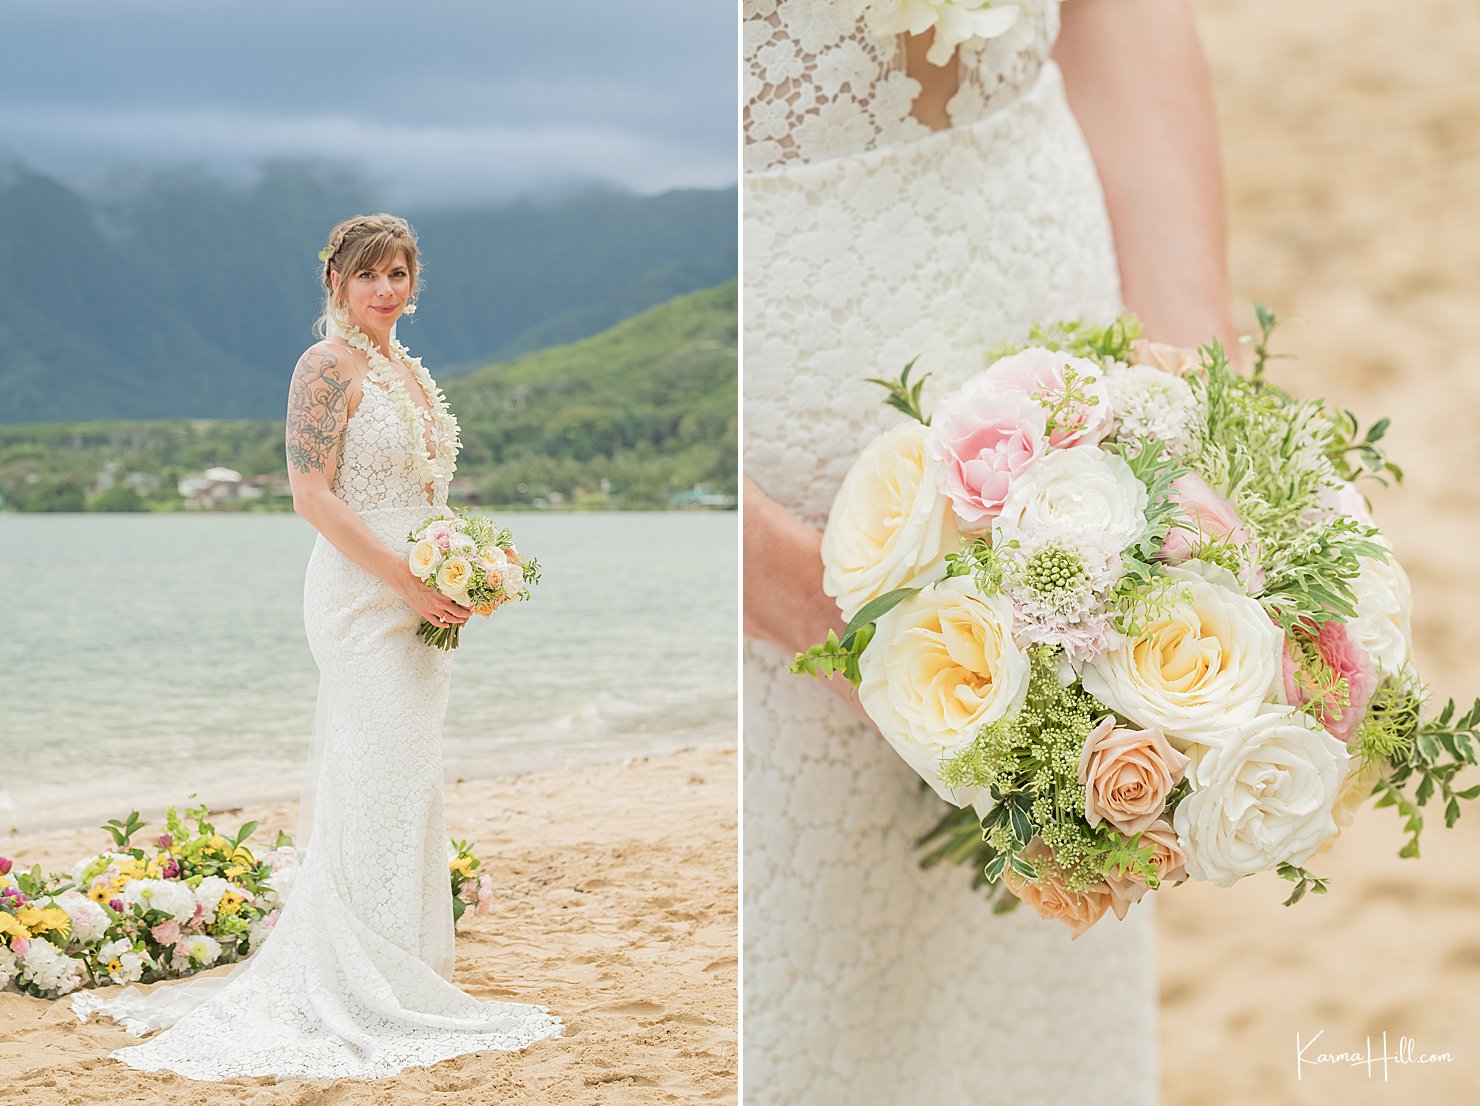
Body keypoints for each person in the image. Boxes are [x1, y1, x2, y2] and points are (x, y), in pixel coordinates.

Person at [742, 1, 1233, 1102]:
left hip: (1049, 313)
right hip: (767, 474)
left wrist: (1192, 406)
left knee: (1024, 1011)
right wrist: (780, 580)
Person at [70, 213, 563, 1080]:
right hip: (357, 590)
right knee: (374, 765)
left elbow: (420, 495)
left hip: (417, 592)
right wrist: (408, 580)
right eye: (369, 274)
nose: (385, 289)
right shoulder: (325, 366)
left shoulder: (406, 371)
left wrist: (466, 572)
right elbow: (312, 494)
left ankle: (402, 961)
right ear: (335, 281)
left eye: (399, 273)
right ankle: (359, 975)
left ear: (415, 283)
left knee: (405, 772)